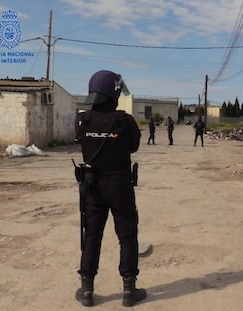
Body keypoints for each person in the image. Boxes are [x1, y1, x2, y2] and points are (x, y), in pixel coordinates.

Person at [74, 70, 146, 307]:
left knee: (92, 235)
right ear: (114, 92)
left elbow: (81, 141)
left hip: (92, 185)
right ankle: (129, 290)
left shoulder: (82, 120)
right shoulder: (124, 121)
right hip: (119, 184)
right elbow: (134, 146)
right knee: (127, 235)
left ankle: (86, 290)